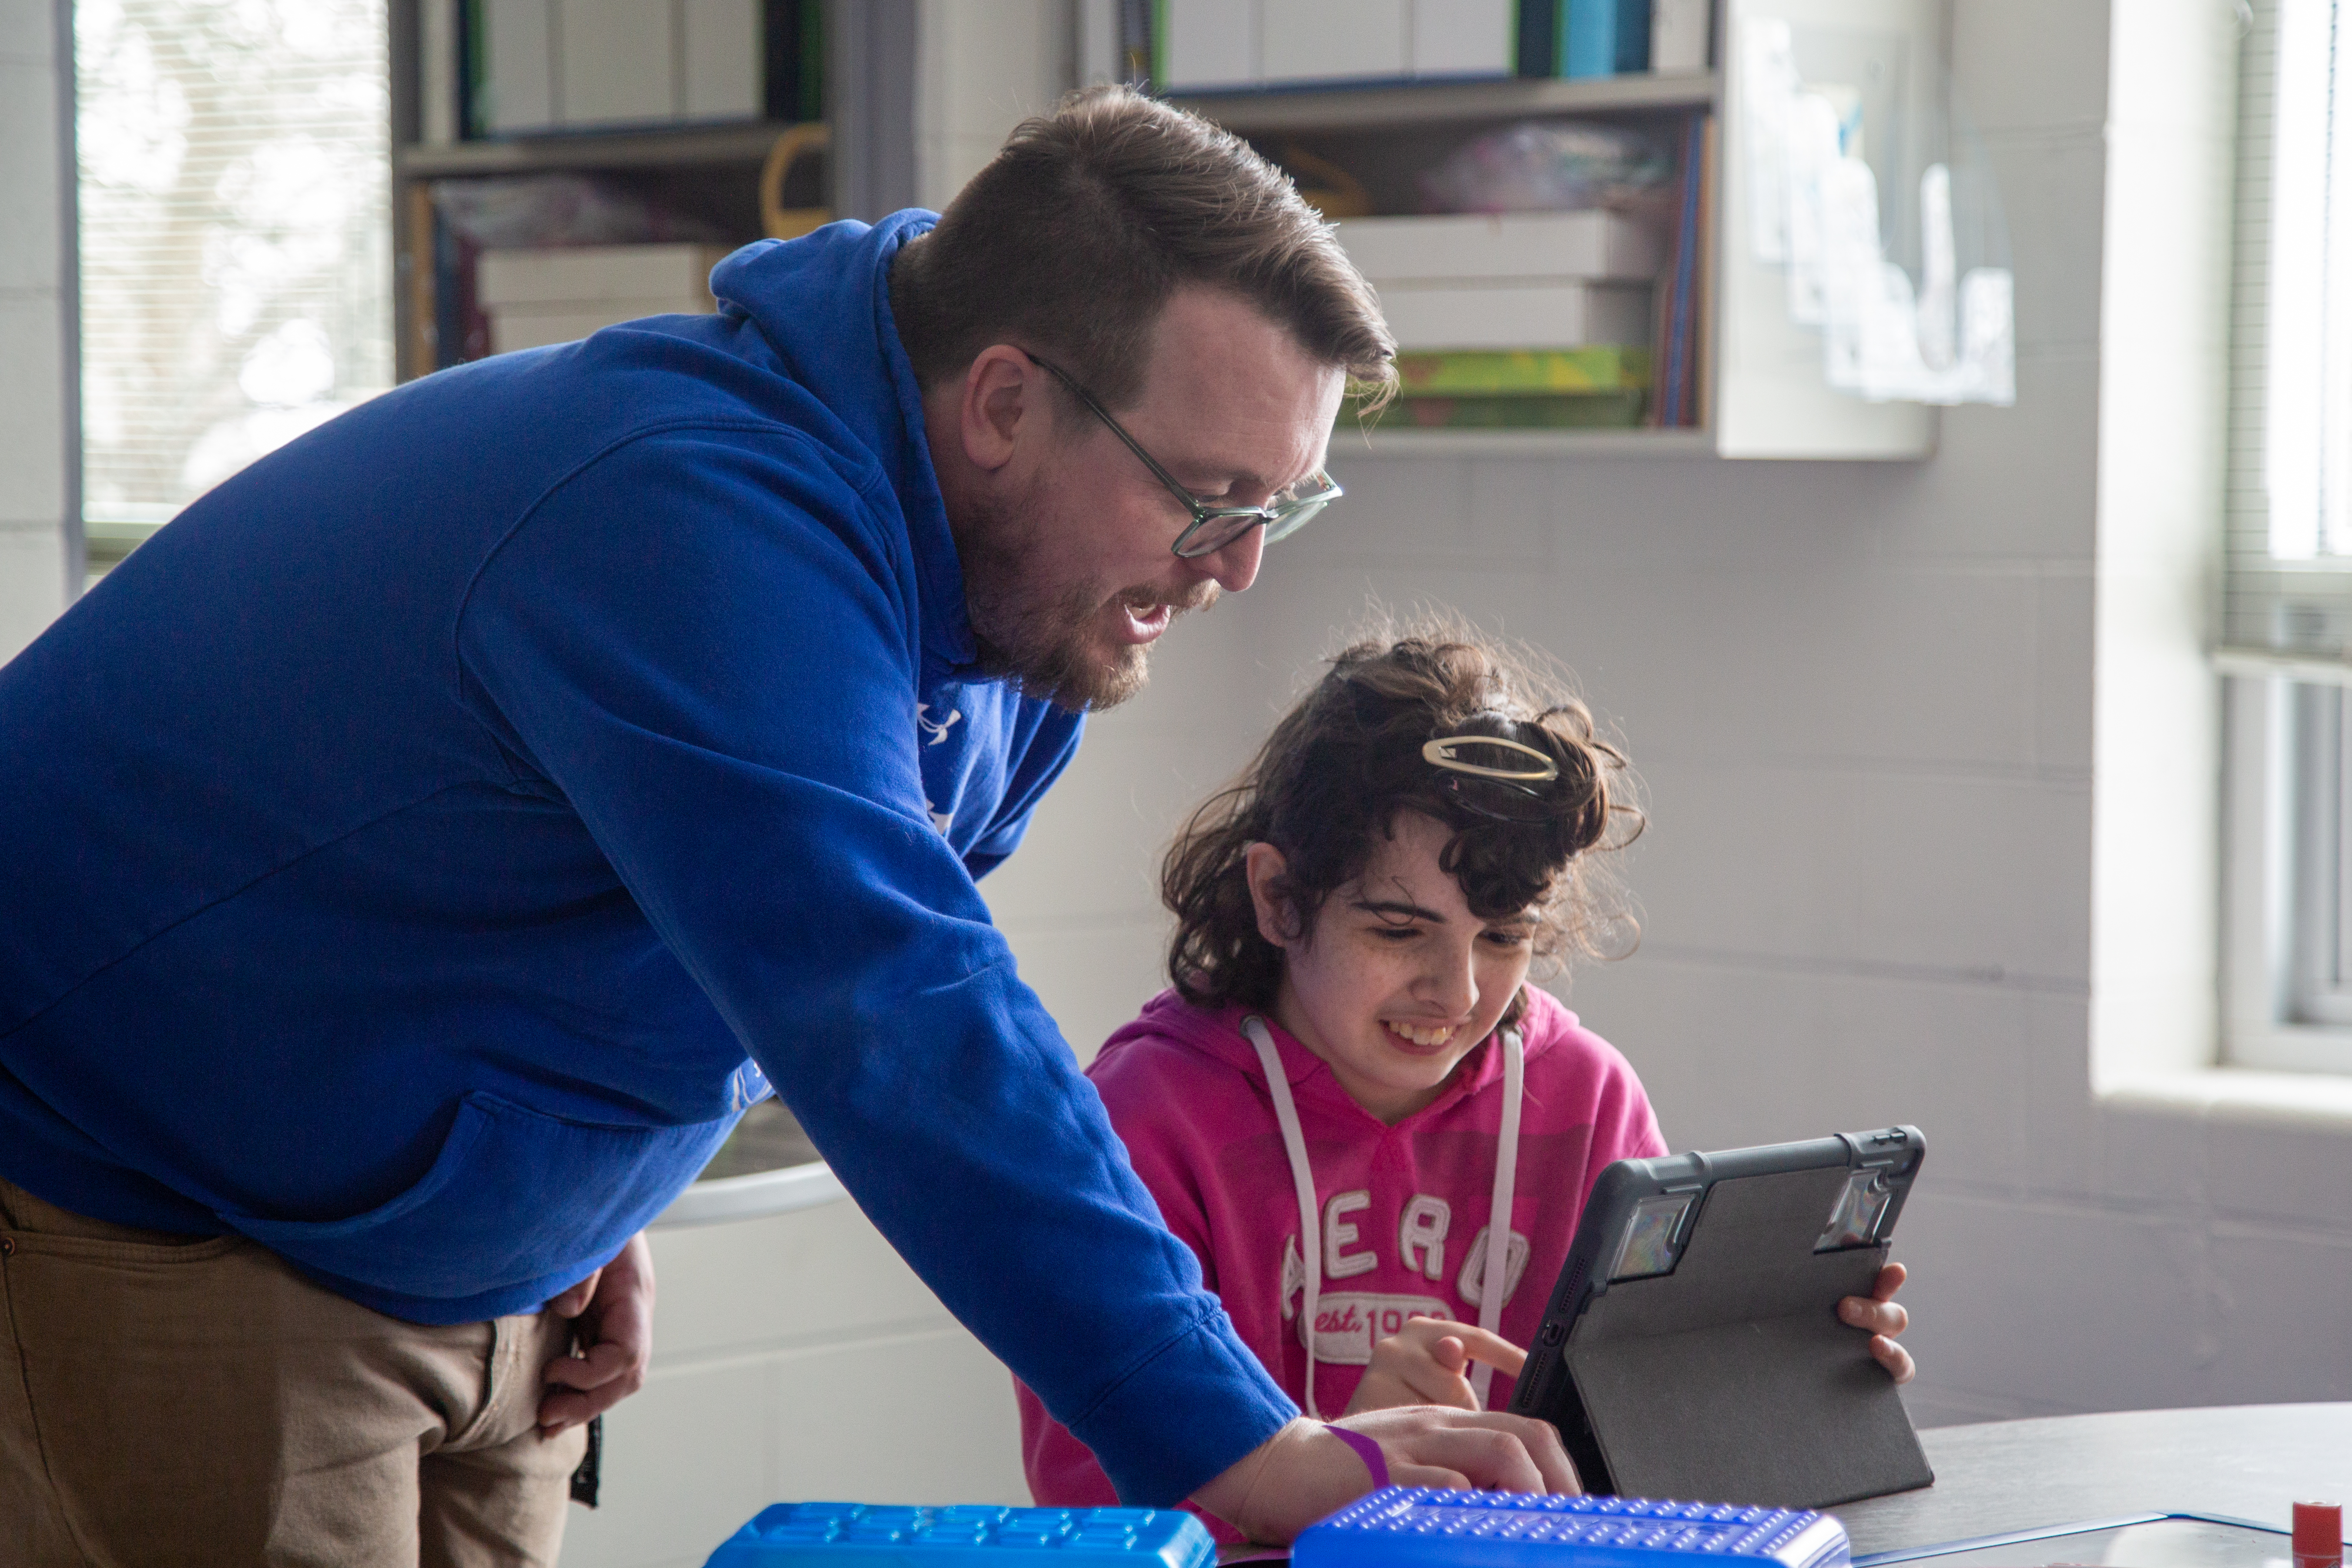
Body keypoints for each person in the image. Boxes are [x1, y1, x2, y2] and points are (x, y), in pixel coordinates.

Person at [0, 89, 1574, 1566]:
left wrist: (598, 1180)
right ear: (1004, 400)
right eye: (1210, 495)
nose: (1234, 568)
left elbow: (721, 915)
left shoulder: (1018, 600)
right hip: (173, 1212)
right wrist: (1239, 1439)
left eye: (1276, 510)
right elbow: (891, 1003)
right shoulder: (688, 510)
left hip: (473, 1267)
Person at [1016, 629, 1914, 1528]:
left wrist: (1772, 1379)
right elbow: (1094, 1515)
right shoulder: (1146, 1117)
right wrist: (1338, 1458)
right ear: (1279, 897)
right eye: (1399, 930)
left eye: (1504, 937)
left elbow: (1637, 1479)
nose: (1457, 991)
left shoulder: (1585, 1101)